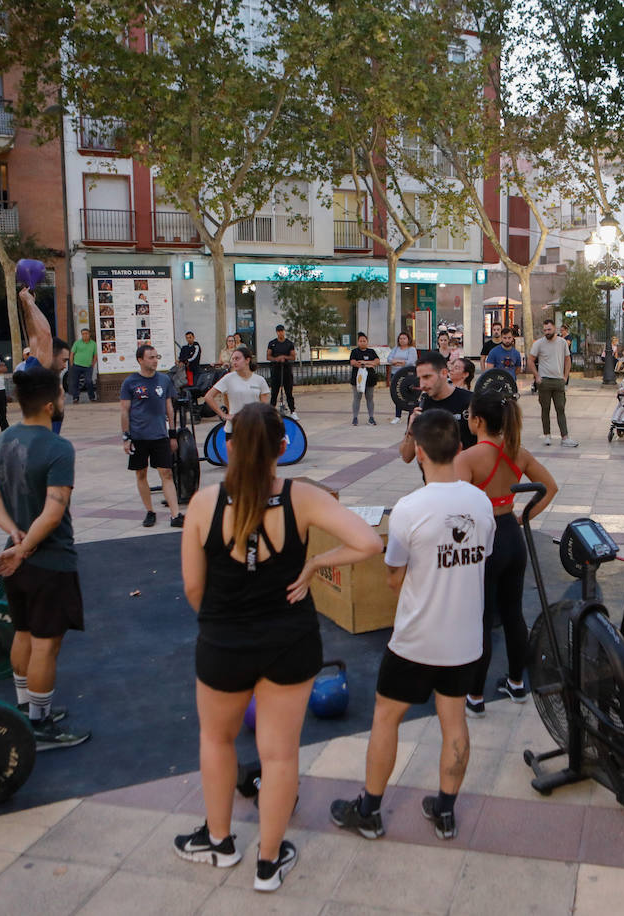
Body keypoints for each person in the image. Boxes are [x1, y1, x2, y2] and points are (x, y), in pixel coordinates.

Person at [175, 403, 381, 891]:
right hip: (289, 642)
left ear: (227, 448)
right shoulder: (302, 498)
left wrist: (223, 621)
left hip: (223, 643)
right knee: (280, 755)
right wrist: (313, 566)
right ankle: (268, 864)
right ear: (283, 447)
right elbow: (368, 542)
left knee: (216, 740)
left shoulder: (204, 504)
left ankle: (220, 842)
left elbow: (192, 589)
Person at [331, 409, 496, 842]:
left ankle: (369, 810)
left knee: (386, 718)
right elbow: (481, 557)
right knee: (453, 720)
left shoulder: (408, 509)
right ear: (460, 448)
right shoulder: (480, 502)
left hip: (415, 641)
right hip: (464, 640)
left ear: (418, 452)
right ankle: (445, 811)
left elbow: (393, 576)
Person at [0, 365, 90, 750]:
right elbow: (53, 511)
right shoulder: (58, 447)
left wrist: (12, 535)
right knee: (46, 643)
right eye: (61, 397)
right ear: (49, 405)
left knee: (25, 632)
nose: (63, 401)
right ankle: (40, 727)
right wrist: (24, 548)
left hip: (15, 557)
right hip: (49, 560)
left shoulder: (3, 440)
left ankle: (27, 708)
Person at [455, 391, 557, 717]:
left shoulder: (467, 458)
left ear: (478, 421)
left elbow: (456, 510)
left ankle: (474, 696)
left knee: (480, 618)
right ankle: (516, 683)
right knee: (513, 613)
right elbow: (550, 487)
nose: (466, 419)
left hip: (483, 541)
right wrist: (523, 517)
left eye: (468, 414)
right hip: (512, 537)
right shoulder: (518, 452)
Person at [120, 344, 183, 528]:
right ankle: (150, 511)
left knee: (167, 473)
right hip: (138, 436)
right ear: (140, 360)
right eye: (151, 357)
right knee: (141, 474)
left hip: (160, 436)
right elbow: (124, 411)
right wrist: (126, 437)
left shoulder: (164, 380)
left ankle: (175, 514)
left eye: (157, 357)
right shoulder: (130, 383)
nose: (155, 361)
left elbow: (169, 408)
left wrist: (172, 434)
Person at [398, 353, 473, 470]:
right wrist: (411, 430)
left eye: (427, 377)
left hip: (465, 483)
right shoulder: (421, 408)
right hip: (432, 484)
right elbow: (406, 457)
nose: (422, 384)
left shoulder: (469, 402)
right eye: (420, 378)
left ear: (443, 373)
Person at [529, 318, 576, 447]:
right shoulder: (539, 343)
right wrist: (537, 376)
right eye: (545, 330)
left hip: (558, 381)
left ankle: (565, 437)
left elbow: (567, 360)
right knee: (545, 409)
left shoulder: (562, 343)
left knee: (560, 408)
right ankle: (547, 435)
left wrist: (565, 377)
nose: (547, 332)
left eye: (549, 329)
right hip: (544, 381)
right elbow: (530, 360)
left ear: (554, 328)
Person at [203, 346, 270, 427]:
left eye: (237, 359)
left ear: (247, 360)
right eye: (233, 359)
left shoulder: (260, 380)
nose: (234, 362)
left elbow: (264, 407)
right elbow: (208, 397)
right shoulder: (228, 378)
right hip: (233, 427)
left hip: (254, 427)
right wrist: (224, 415)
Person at [265, 325, 298, 419]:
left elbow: (293, 357)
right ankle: (271, 411)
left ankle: (292, 411)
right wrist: (276, 359)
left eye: (282, 331)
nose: (280, 333)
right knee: (274, 393)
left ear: (284, 331)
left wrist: (284, 358)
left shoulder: (289, 343)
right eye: (278, 331)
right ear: (276, 332)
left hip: (286, 370)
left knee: (289, 392)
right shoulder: (272, 343)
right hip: (276, 370)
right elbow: (268, 356)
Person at [349, 331, 380, 426]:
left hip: (370, 379)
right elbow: (353, 362)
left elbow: (377, 361)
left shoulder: (371, 351)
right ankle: (355, 417)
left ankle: (371, 417)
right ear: (358, 342)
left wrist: (364, 363)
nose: (363, 342)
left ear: (367, 342)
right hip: (357, 379)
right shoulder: (354, 352)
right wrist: (368, 364)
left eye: (364, 341)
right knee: (357, 398)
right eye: (361, 341)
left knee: (370, 398)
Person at [386, 332, 418, 424]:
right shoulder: (395, 349)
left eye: (404, 338)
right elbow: (389, 359)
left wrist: (398, 362)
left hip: (407, 376)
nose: (402, 340)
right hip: (395, 374)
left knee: (410, 395)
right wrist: (399, 362)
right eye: (400, 338)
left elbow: (411, 362)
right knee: (397, 395)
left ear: (408, 339)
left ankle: (412, 413)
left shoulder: (411, 349)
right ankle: (397, 416)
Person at [69, 328, 98, 403]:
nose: (85, 335)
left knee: (89, 381)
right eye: (83, 334)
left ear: (89, 334)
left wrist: (93, 364)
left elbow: (95, 355)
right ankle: (75, 398)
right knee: (75, 382)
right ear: (81, 335)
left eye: (86, 333)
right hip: (77, 365)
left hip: (88, 367)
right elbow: (72, 353)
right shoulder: (77, 343)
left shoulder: (93, 344)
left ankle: (92, 397)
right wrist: (72, 364)